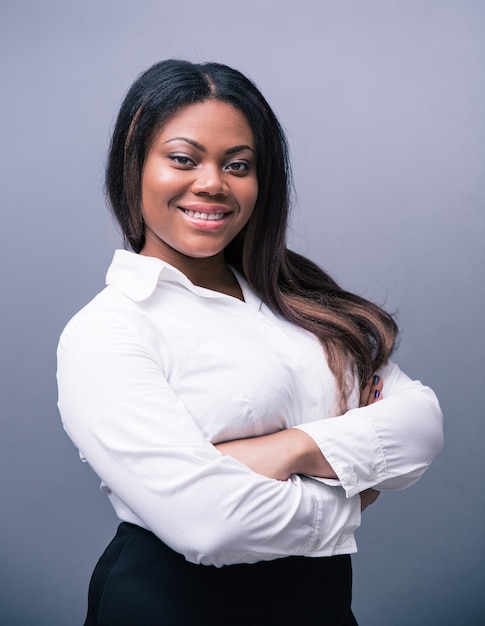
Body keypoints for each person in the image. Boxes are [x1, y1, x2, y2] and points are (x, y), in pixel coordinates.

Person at [57, 59, 443, 626]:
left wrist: (288, 449)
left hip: (322, 610)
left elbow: (420, 424)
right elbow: (210, 525)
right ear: (134, 165)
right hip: (170, 609)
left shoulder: (303, 303)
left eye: (238, 165)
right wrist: (353, 487)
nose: (213, 182)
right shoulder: (108, 331)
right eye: (183, 159)